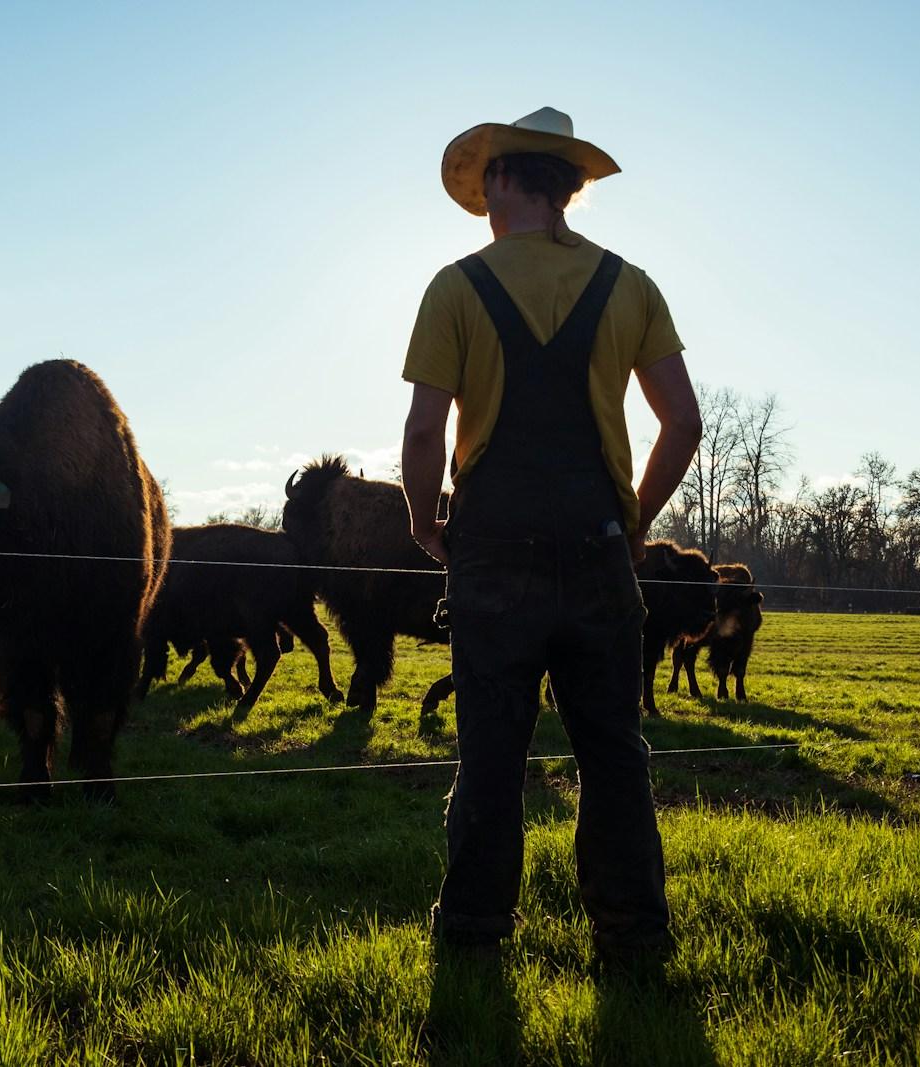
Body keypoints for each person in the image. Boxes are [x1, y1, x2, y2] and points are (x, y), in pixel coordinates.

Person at [400, 107, 702, 964]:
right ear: (568, 186)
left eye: (485, 179)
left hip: (491, 553)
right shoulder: (632, 286)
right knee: (614, 753)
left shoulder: (456, 287)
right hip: (602, 547)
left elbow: (425, 436)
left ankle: (473, 940)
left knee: (491, 755)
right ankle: (634, 941)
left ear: (500, 180)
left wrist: (427, 523)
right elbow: (681, 423)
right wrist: (632, 521)